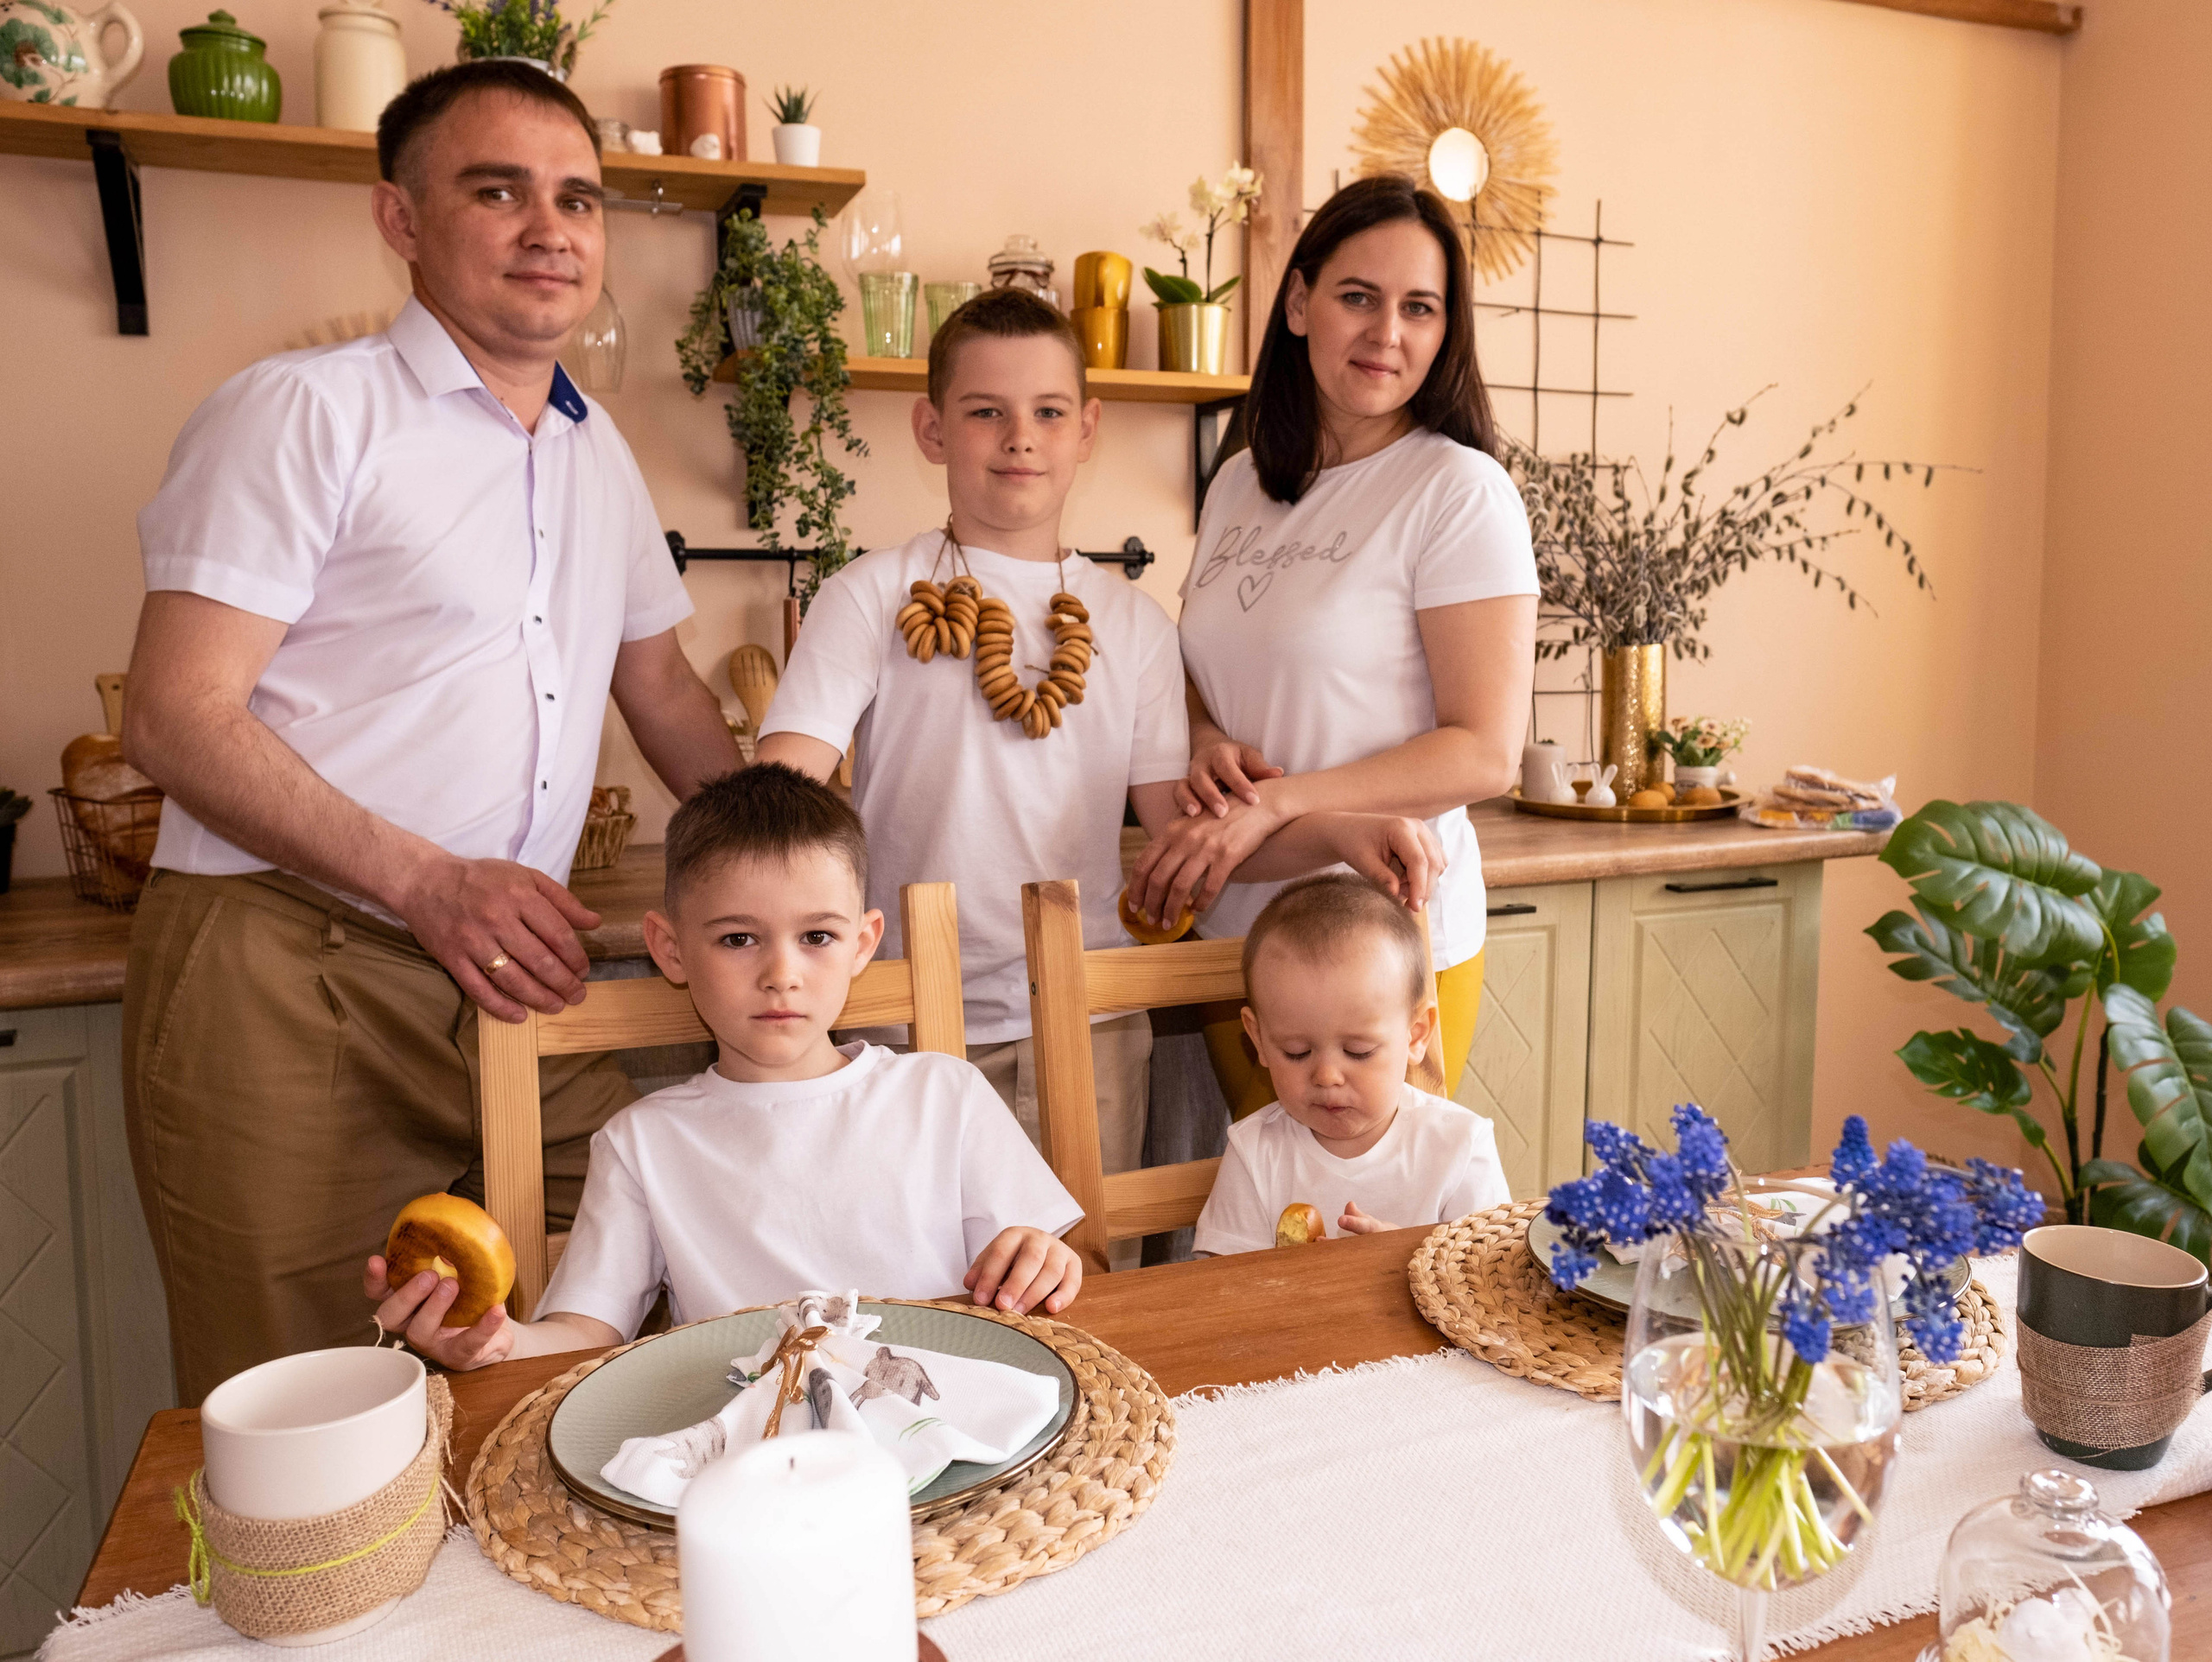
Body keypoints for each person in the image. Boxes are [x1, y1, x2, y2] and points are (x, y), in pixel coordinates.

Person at [120, 61, 739, 1403]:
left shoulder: (598, 450)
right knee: (308, 1409)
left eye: (578, 198)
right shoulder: (303, 410)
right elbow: (174, 714)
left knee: (616, 1325)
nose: (549, 228)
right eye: (498, 192)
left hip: (515, 981)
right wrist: (426, 882)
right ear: (400, 219)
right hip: (289, 973)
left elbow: (667, 696)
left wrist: (798, 866)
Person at [753, 289, 1434, 1196]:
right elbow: (778, 793)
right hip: (903, 1020)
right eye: (985, 412)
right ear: (931, 429)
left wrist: (1345, 833)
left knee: (1085, 1265)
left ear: (1087, 429)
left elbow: (1189, 842)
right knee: (908, 1265)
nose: (1019, 438)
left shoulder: (1136, 626)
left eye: (1048, 412)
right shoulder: (870, 595)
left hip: (1088, 1022)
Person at [365, 765, 1086, 1367]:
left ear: (863, 944)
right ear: (671, 950)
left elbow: (1042, 1266)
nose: (781, 975)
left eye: (817, 937)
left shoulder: (944, 1095)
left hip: (946, 1423)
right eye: (739, 939)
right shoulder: (642, 1143)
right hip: (746, 1450)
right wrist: (497, 1343)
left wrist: (1044, 1260)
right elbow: (586, 1332)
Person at [1129, 174, 1540, 1122]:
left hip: (1382, 948)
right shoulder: (1241, 482)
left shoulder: (1459, 491)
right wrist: (1202, 737)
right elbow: (1197, 666)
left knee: (1367, 1210)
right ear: (1298, 302)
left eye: (1419, 307)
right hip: (1238, 928)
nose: (1386, 332)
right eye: (1359, 296)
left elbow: (1483, 751)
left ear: (1446, 331)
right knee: (1257, 1203)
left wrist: (1279, 800)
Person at [1192, 875, 1510, 1258]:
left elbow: (1493, 1274)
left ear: (1415, 1036)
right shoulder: (1255, 1152)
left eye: (1358, 1051)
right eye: (1296, 1052)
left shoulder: (1460, 1147)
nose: (1327, 1076)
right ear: (1258, 1039)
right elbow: (1220, 1281)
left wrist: (1405, 1257)